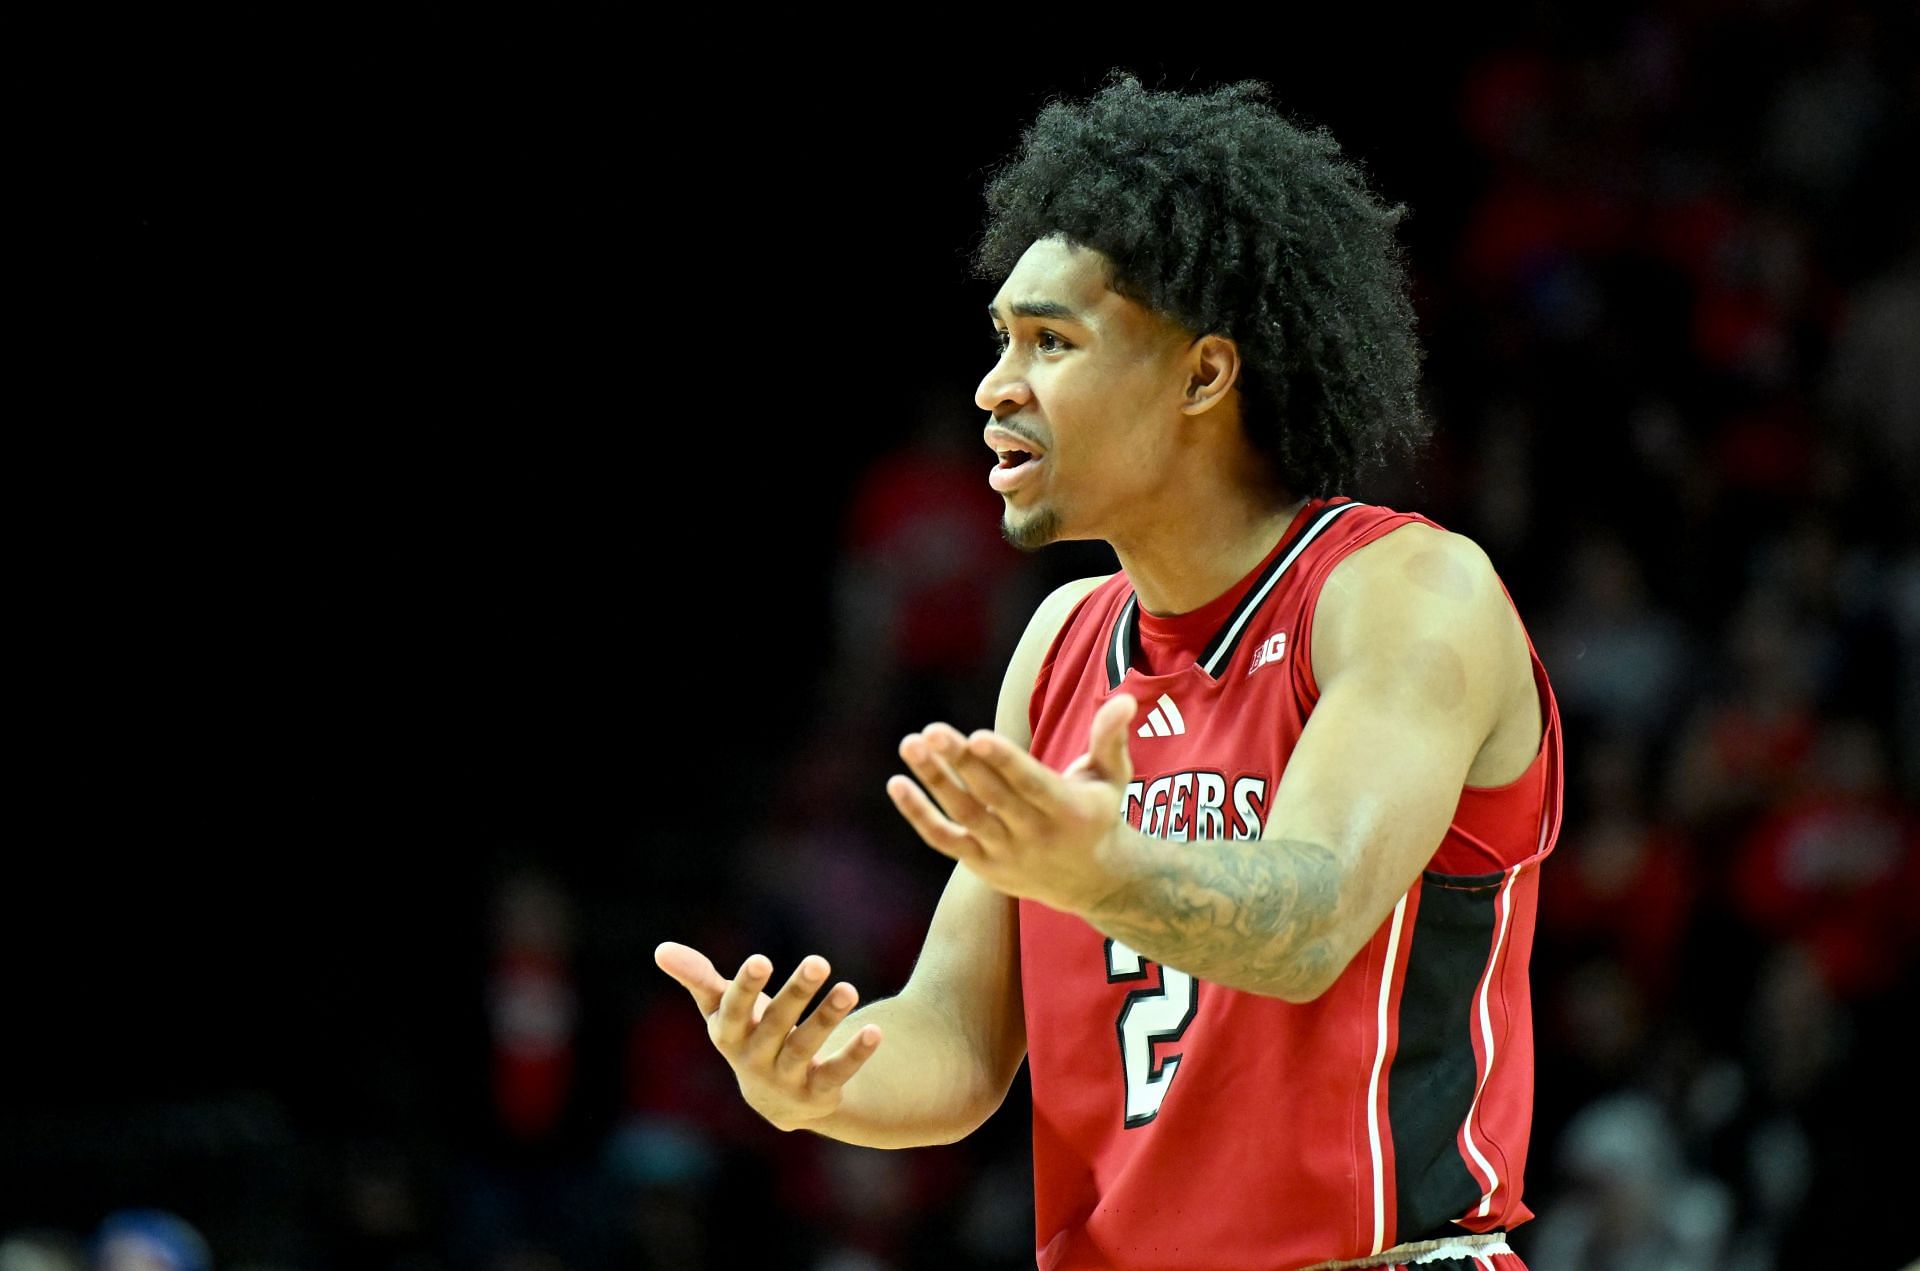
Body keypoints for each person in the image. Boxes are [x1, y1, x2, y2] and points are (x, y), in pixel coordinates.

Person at [656, 70, 1563, 1271]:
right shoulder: (1065, 641)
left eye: (1052, 342)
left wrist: (1104, 865)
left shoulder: (1401, 593)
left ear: (1202, 375)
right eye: (1001, 341)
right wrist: (815, 1082)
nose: (995, 389)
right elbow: (959, 1044)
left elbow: (1305, 921)